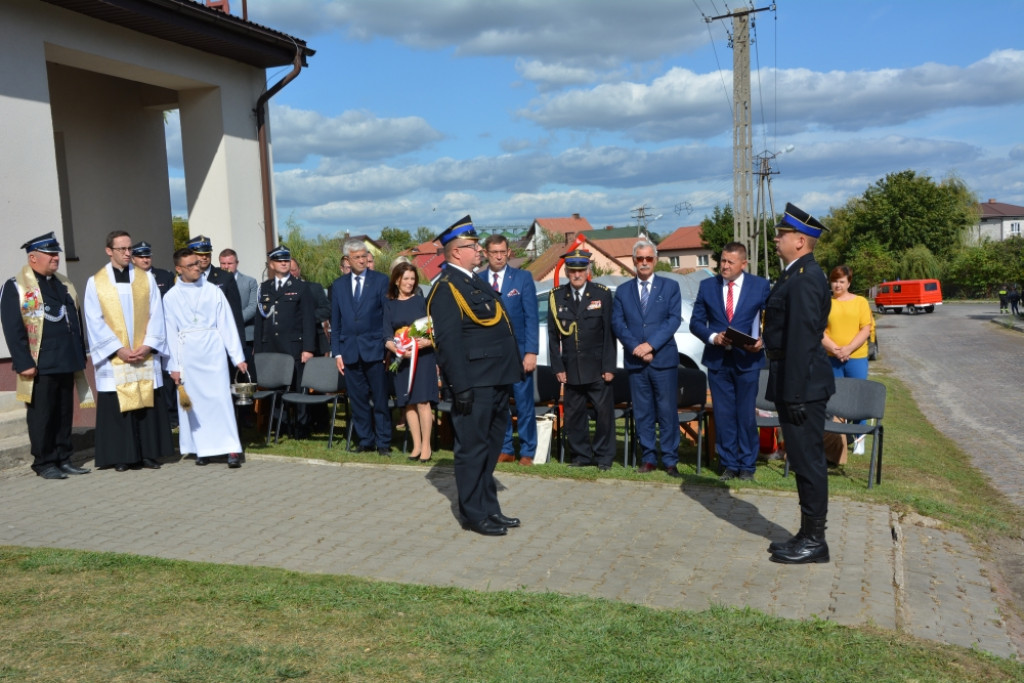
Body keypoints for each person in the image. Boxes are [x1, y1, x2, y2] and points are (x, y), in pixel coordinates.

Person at [427, 215, 523, 536]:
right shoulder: (446, 289)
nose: (479, 250)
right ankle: (472, 514)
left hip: (495, 380)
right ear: (457, 252)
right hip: (474, 384)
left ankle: (489, 508)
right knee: (472, 451)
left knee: (491, 448)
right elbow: (449, 344)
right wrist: (461, 387)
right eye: (473, 245)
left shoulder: (473, 281)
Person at [763, 203, 836, 564]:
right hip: (796, 383)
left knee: (808, 462)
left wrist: (791, 393)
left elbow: (802, 342)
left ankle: (815, 540)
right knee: (803, 461)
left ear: (801, 241)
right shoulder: (795, 274)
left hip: (803, 386)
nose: (776, 239)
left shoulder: (806, 278)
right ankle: (807, 533)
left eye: (781, 234)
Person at [0, 232, 94, 480]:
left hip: (65, 359)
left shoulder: (62, 283)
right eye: (51, 254)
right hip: (39, 364)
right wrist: (23, 362)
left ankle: (64, 458)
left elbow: (74, 318)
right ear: (33, 257)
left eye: (57, 254)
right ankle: (44, 462)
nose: (56, 258)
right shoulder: (16, 286)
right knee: (42, 415)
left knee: (64, 414)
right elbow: (13, 328)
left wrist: (79, 352)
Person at [84, 230, 173, 472]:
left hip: (143, 353)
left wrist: (148, 345)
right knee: (118, 406)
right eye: (121, 249)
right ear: (109, 251)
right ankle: (121, 455)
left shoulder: (146, 279)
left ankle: (148, 454)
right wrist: (118, 350)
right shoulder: (96, 282)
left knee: (146, 404)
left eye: (129, 248)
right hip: (116, 358)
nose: (127, 253)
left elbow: (157, 314)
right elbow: (94, 320)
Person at [689, 241, 770, 481]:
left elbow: (774, 319)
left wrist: (762, 341)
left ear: (743, 264)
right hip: (718, 361)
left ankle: (747, 466)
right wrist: (714, 337)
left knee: (745, 414)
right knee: (723, 415)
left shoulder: (760, 286)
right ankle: (728, 464)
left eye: (729, 262)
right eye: (722, 261)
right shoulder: (707, 286)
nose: (724, 266)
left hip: (748, 360)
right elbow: (695, 323)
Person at [164, 248, 247, 468]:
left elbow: (226, 324)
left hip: (213, 352)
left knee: (221, 400)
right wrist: (174, 366)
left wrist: (237, 356)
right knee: (196, 404)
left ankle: (231, 449)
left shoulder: (213, 291)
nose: (197, 267)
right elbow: (170, 333)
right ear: (179, 269)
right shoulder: (171, 296)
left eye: (198, 263)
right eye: (191, 265)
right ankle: (203, 449)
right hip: (188, 354)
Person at [611, 239, 683, 477]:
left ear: (655, 259)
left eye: (648, 258)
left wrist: (651, 345)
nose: (644, 262)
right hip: (636, 361)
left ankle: (670, 459)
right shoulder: (622, 291)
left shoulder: (670, 287)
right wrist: (636, 347)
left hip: (663, 360)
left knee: (666, 411)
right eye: (639, 258)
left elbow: (673, 320)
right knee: (642, 412)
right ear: (633, 261)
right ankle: (649, 457)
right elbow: (618, 324)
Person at [547, 248, 616, 470]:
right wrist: (557, 366)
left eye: (581, 270)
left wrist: (609, 366)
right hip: (571, 367)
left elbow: (609, 334)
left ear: (588, 271)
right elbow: (552, 335)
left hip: (597, 367)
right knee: (575, 416)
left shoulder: (601, 294)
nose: (577, 275)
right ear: (567, 271)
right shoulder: (557, 296)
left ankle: (604, 457)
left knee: (604, 416)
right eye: (572, 270)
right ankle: (581, 456)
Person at [480, 234, 539, 466]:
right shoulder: (478, 279)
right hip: (492, 356)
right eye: (494, 252)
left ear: (508, 253)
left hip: (520, 354)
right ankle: (505, 448)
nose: (498, 256)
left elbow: (531, 317)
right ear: (486, 254)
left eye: (502, 252)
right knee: (499, 404)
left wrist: (531, 352)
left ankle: (527, 451)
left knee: (524, 404)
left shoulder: (523, 278)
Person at [330, 239, 392, 454]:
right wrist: (337, 352)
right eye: (357, 257)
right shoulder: (338, 286)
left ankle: (384, 443)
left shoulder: (381, 281)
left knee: (380, 399)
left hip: (374, 349)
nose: (362, 260)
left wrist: (387, 348)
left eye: (364, 256)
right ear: (347, 259)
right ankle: (365, 441)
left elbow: (387, 317)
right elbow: (335, 322)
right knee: (358, 401)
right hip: (349, 352)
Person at [254, 245, 316, 437]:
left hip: (293, 346)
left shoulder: (300, 287)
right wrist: (257, 347)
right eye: (279, 261)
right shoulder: (264, 288)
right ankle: (280, 425)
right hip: (270, 346)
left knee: (298, 387)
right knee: (275, 387)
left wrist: (308, 348)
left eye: (286, 260)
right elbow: (259, 322)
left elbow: (308, 320)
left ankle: (300, 427)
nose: (283, 263)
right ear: (271, 264)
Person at [383, 262, 437, 463]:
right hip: (401, 360)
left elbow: (435, 330)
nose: (409, 282)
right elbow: (386, 336)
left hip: (423, 359)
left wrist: (426, 342)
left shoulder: (422, 301)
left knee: (423, 401)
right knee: (408, 404)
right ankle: (415, 445)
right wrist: (397, 350)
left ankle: (426, 446)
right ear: (397, 280)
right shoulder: (389, 304)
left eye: (412, 279)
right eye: (405, 278)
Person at [821, 264, 874, 455]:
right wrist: (836, 350)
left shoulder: (860, 302)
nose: (837, 285)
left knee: (858, 397)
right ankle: (836, 437)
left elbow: (865, 329)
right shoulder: (825, 302)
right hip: (831, 357)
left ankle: (859, 438)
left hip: (856, 358)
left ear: (849, 282)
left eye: (841, 281)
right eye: (834, 281)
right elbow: (819, 330)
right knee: (835, 398)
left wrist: (849, 349)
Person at [132, 240, 179, 427]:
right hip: (142, 338)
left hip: (165, 335)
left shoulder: (165, 276)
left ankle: (172, 415)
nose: (145, 259)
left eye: (148, 255)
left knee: (167, 378)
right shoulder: (130, 278)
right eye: (141, 256)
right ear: (134, 259)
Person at [186, 235, 245, 348]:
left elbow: (235, 315)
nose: (204, 258)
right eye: (200, 254)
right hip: (195, 344)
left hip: (221, 342)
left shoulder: (225, 277)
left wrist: (240, 347)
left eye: (207, 254)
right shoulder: (183, 279)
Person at [218, 248, 258, 358]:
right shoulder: (213, 282)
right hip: (221, 336)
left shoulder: (250, 282)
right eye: (223, 263)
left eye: (230, 263)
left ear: (237, 263)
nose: (226, 266)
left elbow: (253, 307)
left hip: (245, 335)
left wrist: (234, 320)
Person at [290, 257, 332, 356]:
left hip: (315, 342)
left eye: (293, 270)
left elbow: (327, 309)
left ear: (299, 270)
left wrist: (306, 318)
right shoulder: (278, 292)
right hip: (291, 345)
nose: (291, 274)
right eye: (288, 271)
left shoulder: (314, 288)